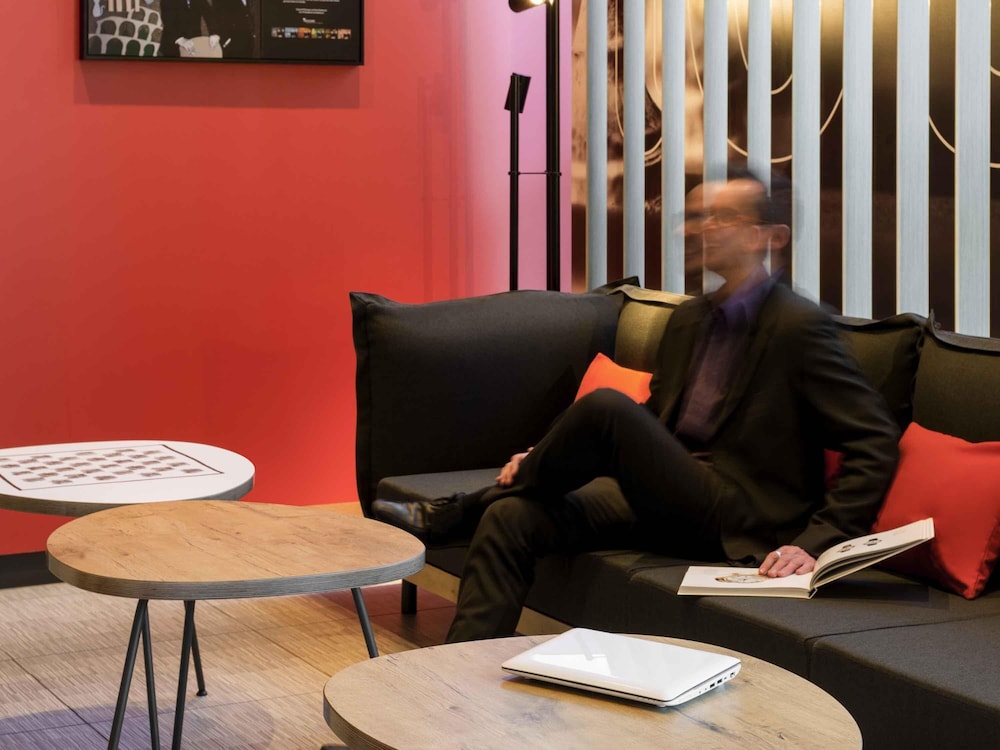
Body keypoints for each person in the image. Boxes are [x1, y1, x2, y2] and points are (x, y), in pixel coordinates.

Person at [373, 168, 901, 643]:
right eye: (698, 216)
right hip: (666, 495)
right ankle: (460, 680)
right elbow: (651, 424)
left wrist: (818, 541)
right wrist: (546, 456)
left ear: (770, 237)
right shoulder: (691, 319)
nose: (702, 228)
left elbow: (873, 439)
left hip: (735, 514)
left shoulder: (800, 327)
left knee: (606, 406)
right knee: (513, 515)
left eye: (723, 217)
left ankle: (457, 512)